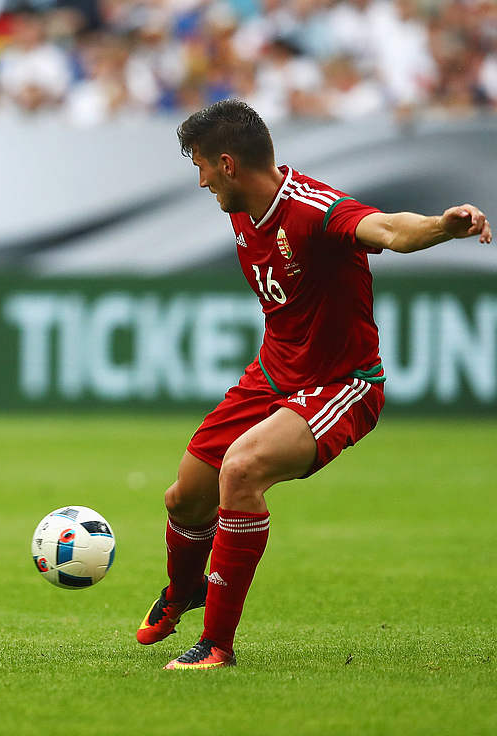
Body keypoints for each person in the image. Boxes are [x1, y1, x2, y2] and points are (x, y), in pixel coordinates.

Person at [140, 99, 489, 670]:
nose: (199, 179)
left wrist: (441, 226)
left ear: (227, 164)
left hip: (339, 383)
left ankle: (216, 646)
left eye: (201, 165)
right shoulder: (241, 205)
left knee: (242, 469)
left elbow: (388, 229)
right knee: (184, 498)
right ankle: (184, 590)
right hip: (272, 374)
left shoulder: (314, 209)